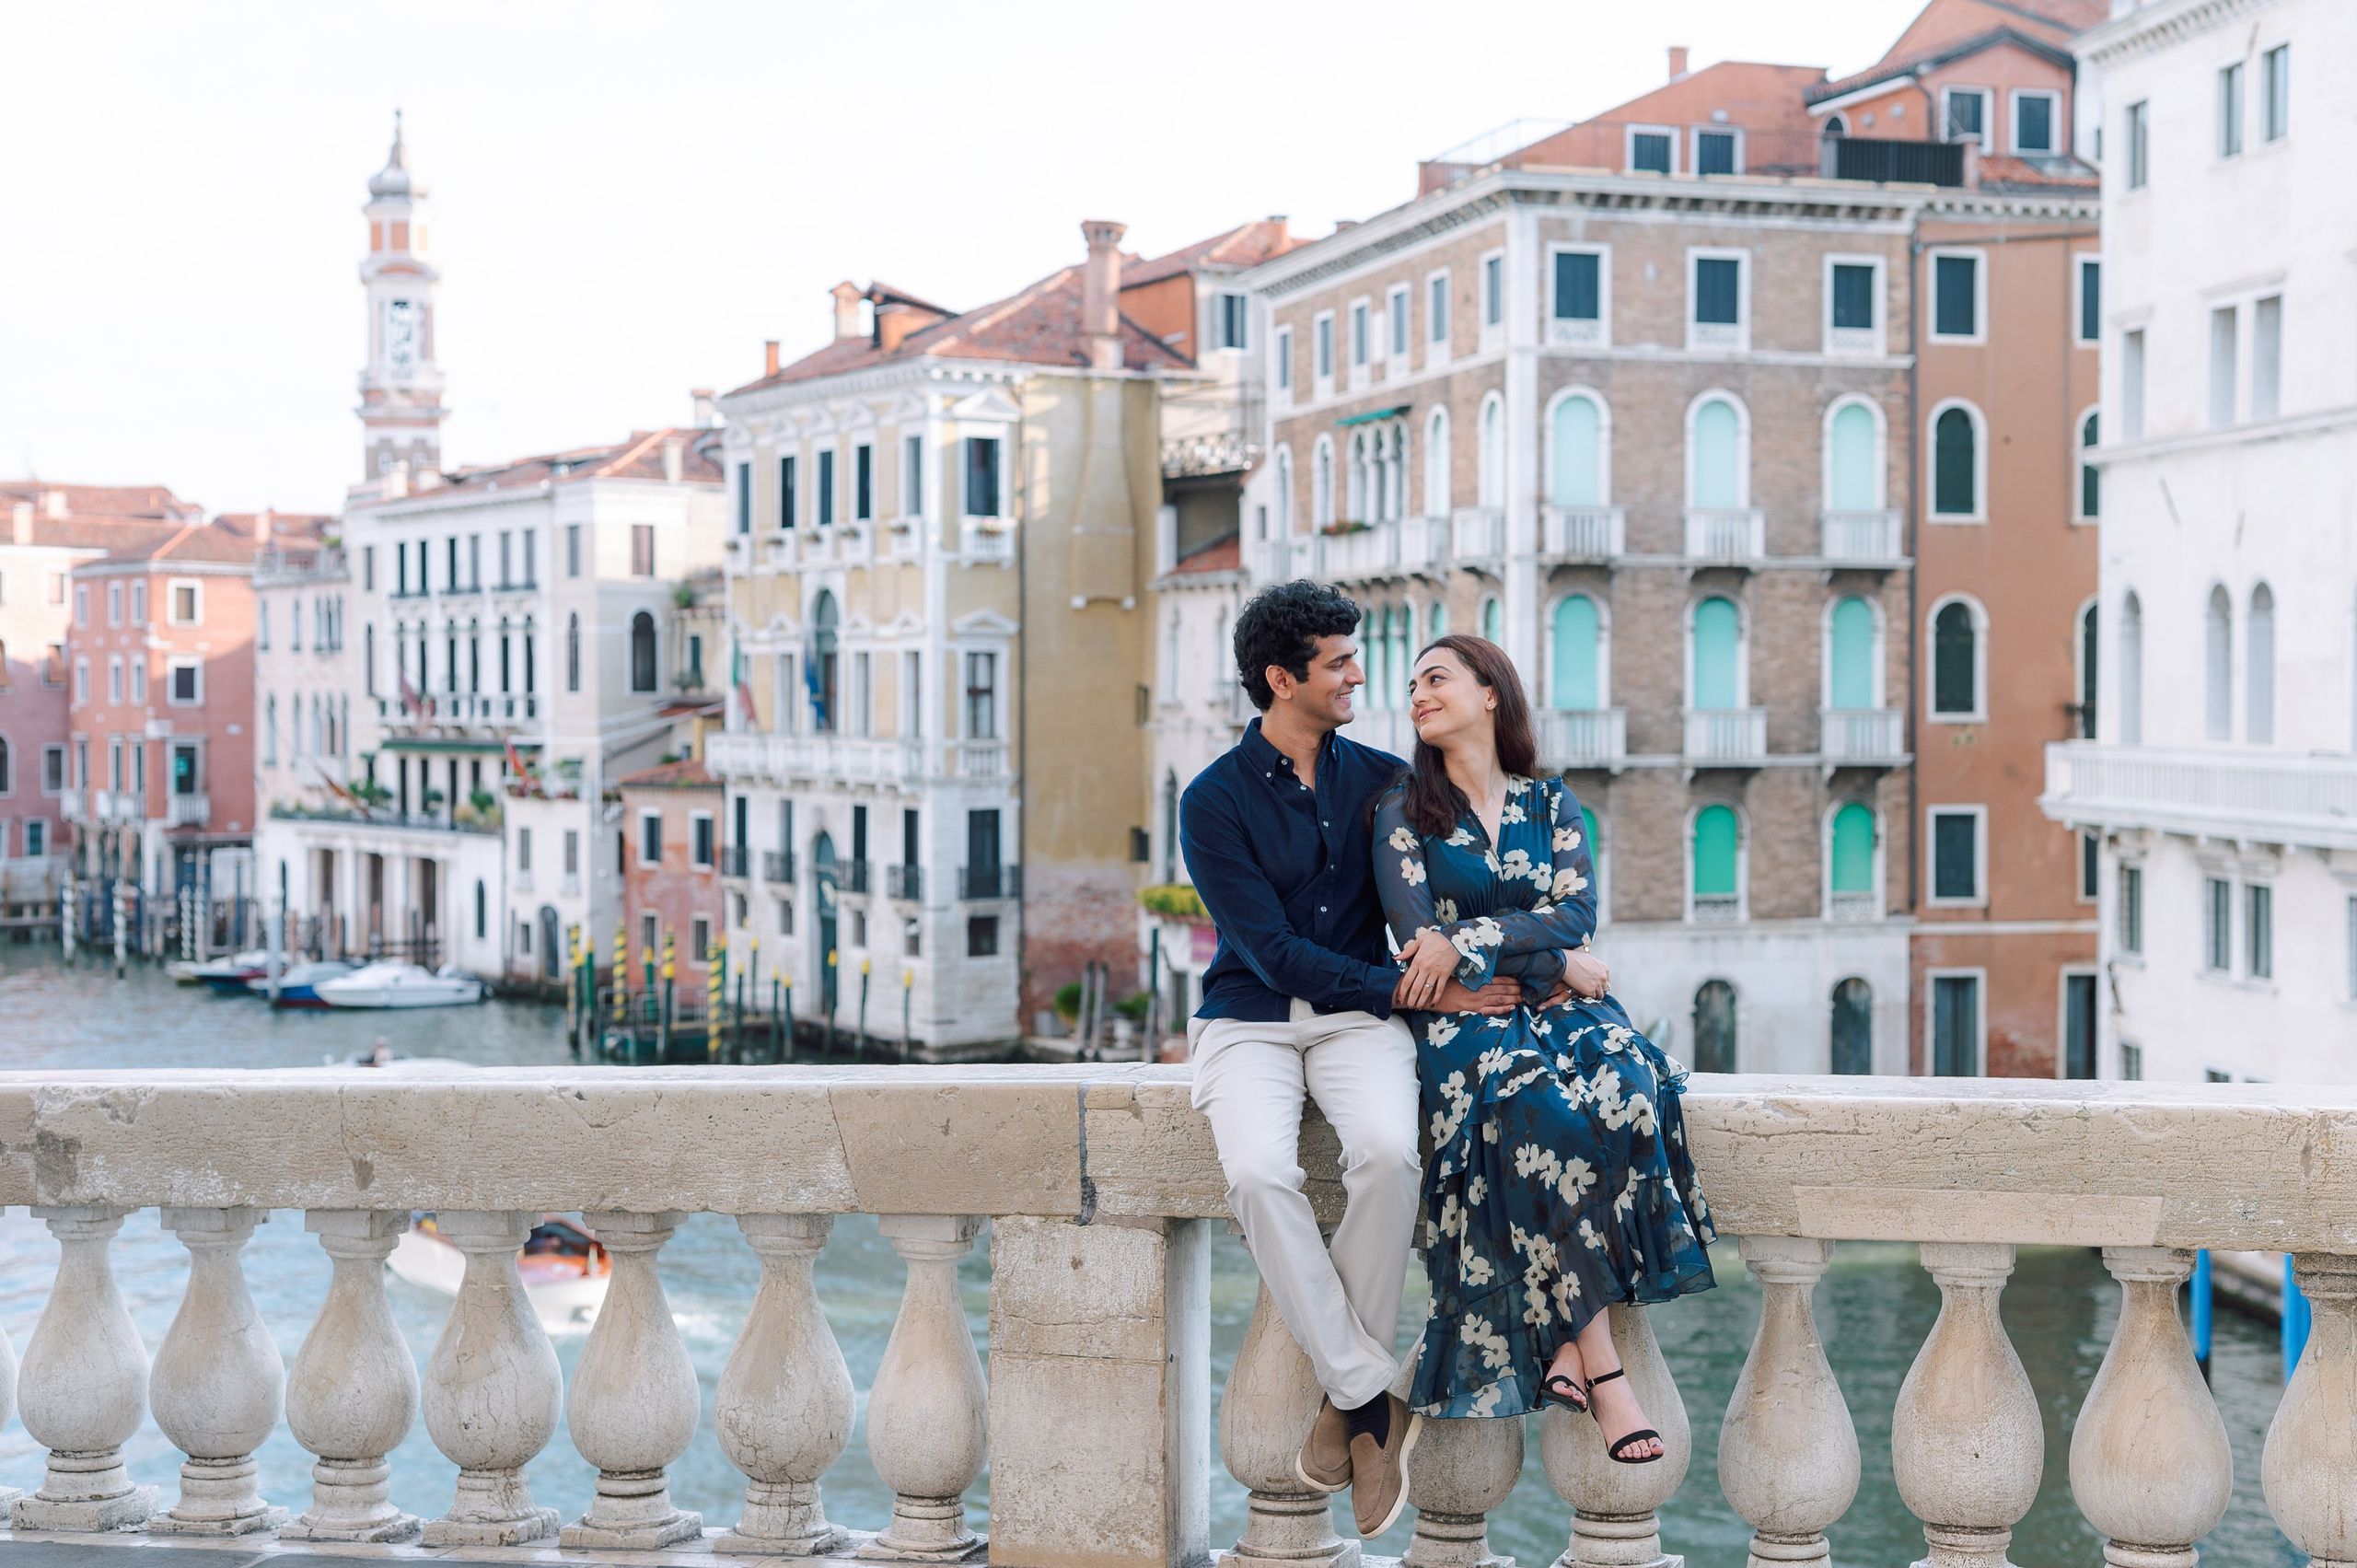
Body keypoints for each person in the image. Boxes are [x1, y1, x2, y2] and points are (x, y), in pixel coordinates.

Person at [1180, 584, 1602, 1538]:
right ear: (1281, 679)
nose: (1358, 675)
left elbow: (1482, 879)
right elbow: (1272, 954)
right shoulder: (1210, 801)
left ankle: (1350, 1404)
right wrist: (1430, 992)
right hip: (1249, 1020)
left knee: (1386, 1154)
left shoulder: (1379, 781)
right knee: (1255, 1170)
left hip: (1361, 1022)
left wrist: (1550, 956)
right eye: (1338, 661)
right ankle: (1369, 1391)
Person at [1373, 634, 1715, 1464]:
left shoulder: (1553, 801)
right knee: (1538, 1106)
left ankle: (1566, 1344)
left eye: (1437, 678)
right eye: (1412, 683)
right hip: (1470, 1021)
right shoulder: (1400, 812)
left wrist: (1500, 943)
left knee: (1634, 1085)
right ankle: (1601, 1366)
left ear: (1491, 693)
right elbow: (1423, 944)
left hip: (1558, 1007)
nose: (1417, 692)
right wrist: (1554, 958)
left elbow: (1575, 912)